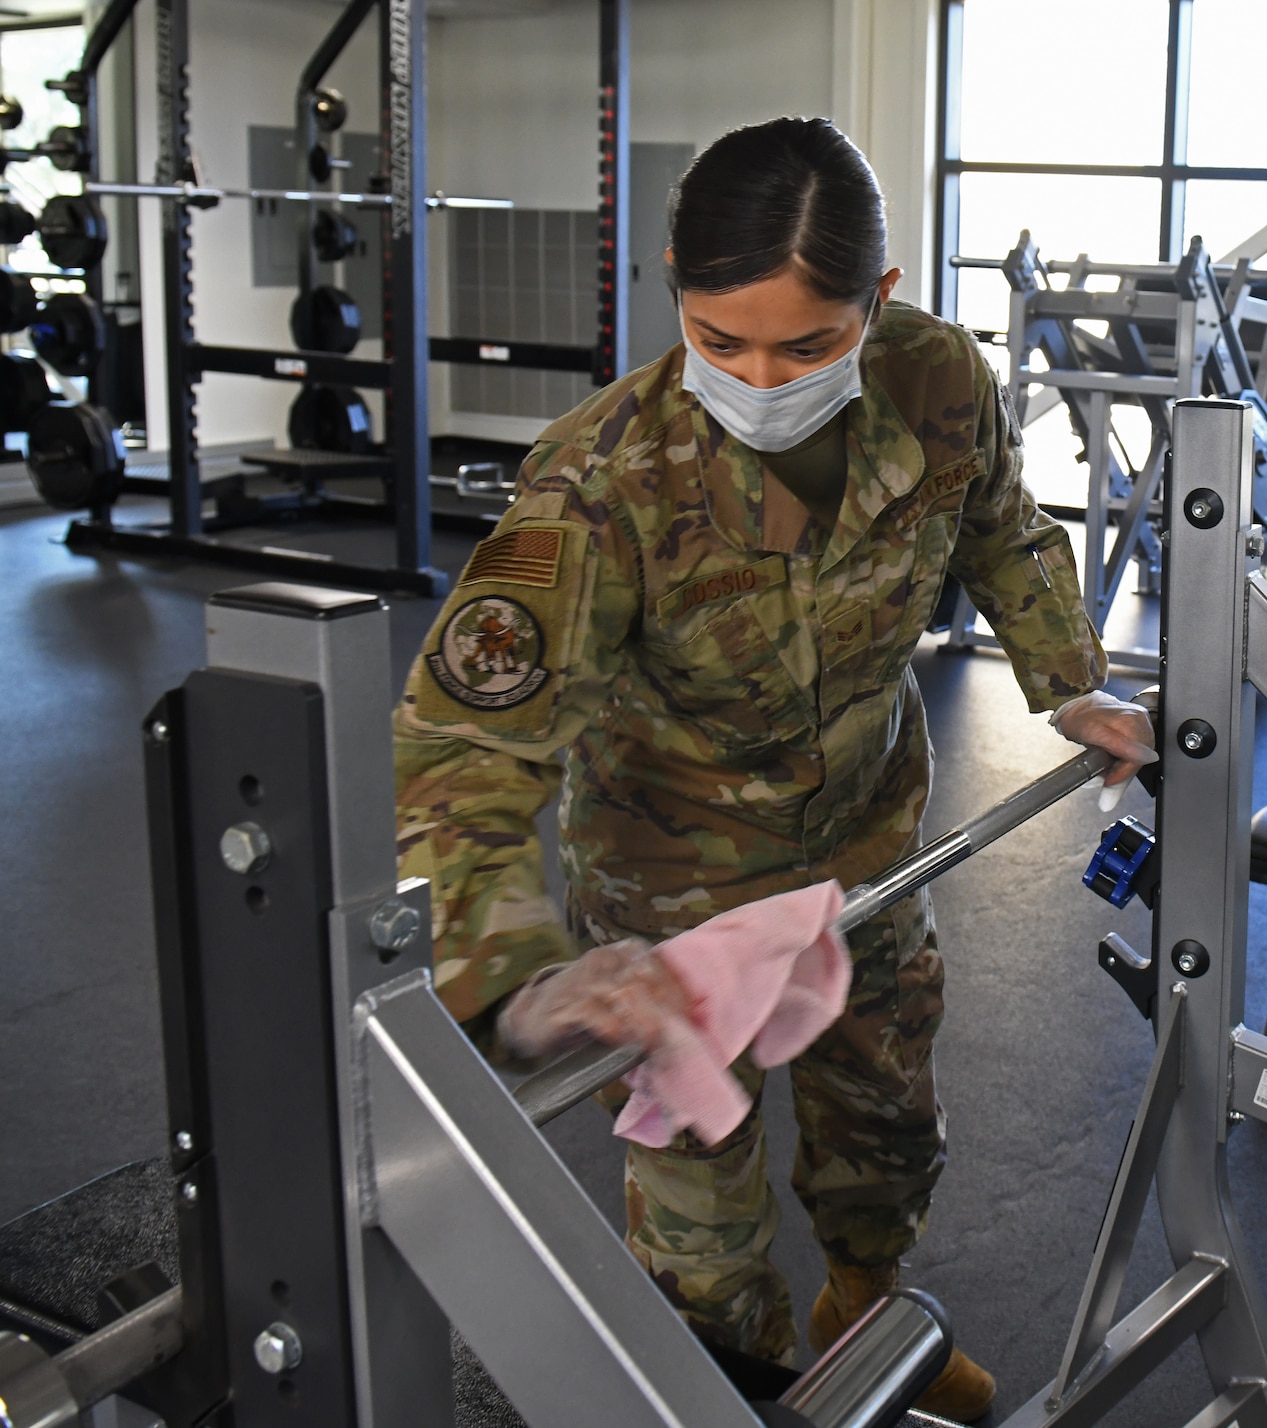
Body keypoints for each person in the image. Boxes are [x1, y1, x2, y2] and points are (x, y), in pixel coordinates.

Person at [392, 116, 1155, 1421]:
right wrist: (517, 973)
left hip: (866, 830)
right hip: (668, 878)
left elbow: (1004, 534)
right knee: (698, 1192)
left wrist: (1071, 680)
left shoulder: (940, 382)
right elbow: (465, 747)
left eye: (810, 345)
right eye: (720, 339)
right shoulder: (603, 480)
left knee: (887, 1116)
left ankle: (863, 1312)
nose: (760, 376)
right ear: (675, 281)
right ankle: (725, 1389)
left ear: (883, 302)